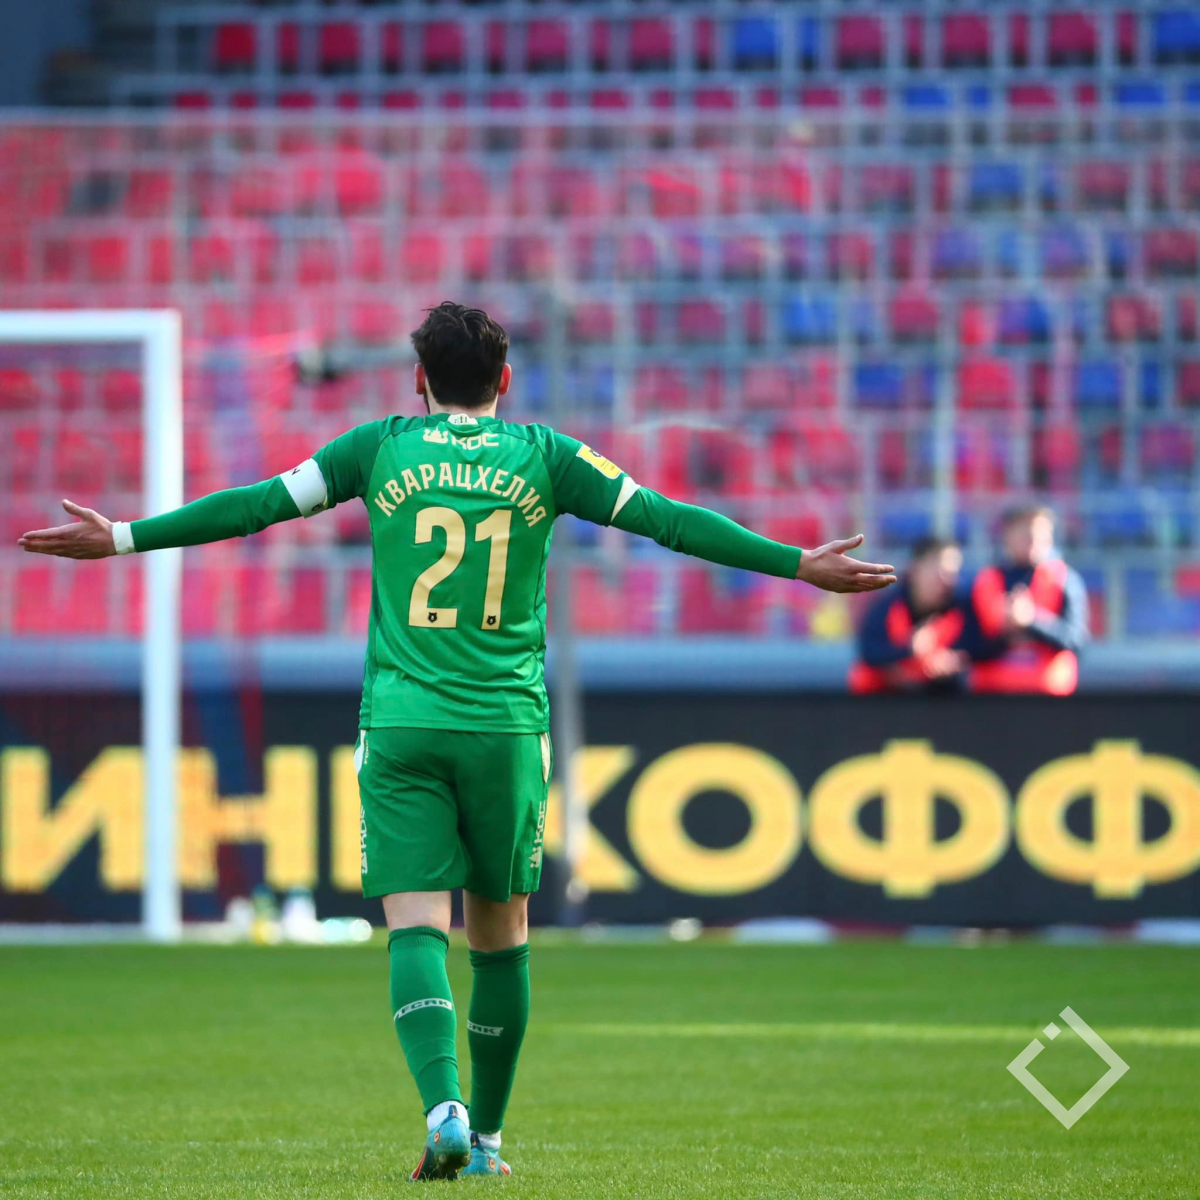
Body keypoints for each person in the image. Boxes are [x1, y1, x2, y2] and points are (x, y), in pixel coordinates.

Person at [18, 302, 896, 1181]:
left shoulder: (378, 448)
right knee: (501, 933)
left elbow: (255, 508)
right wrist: (797, 563)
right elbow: (669, 519)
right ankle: (488, 1143)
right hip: (504, 728)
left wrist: (124, 536)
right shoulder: (547, 456)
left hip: (402, 722)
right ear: (505, 380)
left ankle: (443, 1107)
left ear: (418, 380)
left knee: (414, 927)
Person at [967, 505, 1088, 694]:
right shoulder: (985, 582)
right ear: (1007, 535)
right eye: (1025, 531)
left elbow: (1075, 641)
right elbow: (970, 648)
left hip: (1048, 699)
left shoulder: (1064, 580)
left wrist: (1032, 621)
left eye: (1040, 532)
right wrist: (1007, 630)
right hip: (992, 698)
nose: (1033, 538)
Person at [849, 535, 970, 693]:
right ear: (916, 569)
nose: (946, 581)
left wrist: (948, 663)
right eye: (939, 573)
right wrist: (909, 649)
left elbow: (977, 652)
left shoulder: (961, 608)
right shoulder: (888, 605)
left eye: (952, 574)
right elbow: (869, 652)